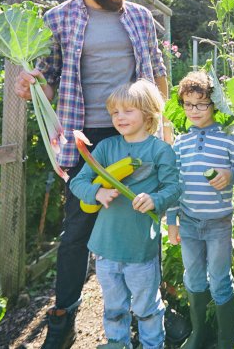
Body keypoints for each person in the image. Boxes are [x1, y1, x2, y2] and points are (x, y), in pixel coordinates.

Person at [13, 0, 171, 349]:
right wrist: (32, 86)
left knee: (144, 218)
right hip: (85, 137)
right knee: (78, 228)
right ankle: (63, 318)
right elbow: (47, 82)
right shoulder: (60, 18)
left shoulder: (138, 17)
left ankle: (152, 312)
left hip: (135, 135)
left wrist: (160, 125)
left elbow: (156, 73)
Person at [69, 80, 181, 349]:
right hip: (106, 247)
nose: (119, 117)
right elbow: (77, 182)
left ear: (148, 113)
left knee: (147, 308)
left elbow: (174, 188)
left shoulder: (160, 151)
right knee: (114, 309)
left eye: (127, 111)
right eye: (115, 112)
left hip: (140, 248)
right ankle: (117, 344)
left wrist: (155, 199)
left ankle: (153, 345)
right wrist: (97, 193)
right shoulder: (106, 148)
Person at [165, 71, 234, 349]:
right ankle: (199, 334)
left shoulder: (228, 138)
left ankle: (227, 339)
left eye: (201, 104)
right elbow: (174, 185)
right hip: (188, 222)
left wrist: (229, 175)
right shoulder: (180, 143)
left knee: (220, 280)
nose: (194, 110)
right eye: (188, 104)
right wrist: (172, 221)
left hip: (218, 224)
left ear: (213, 104)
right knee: (194, 277)